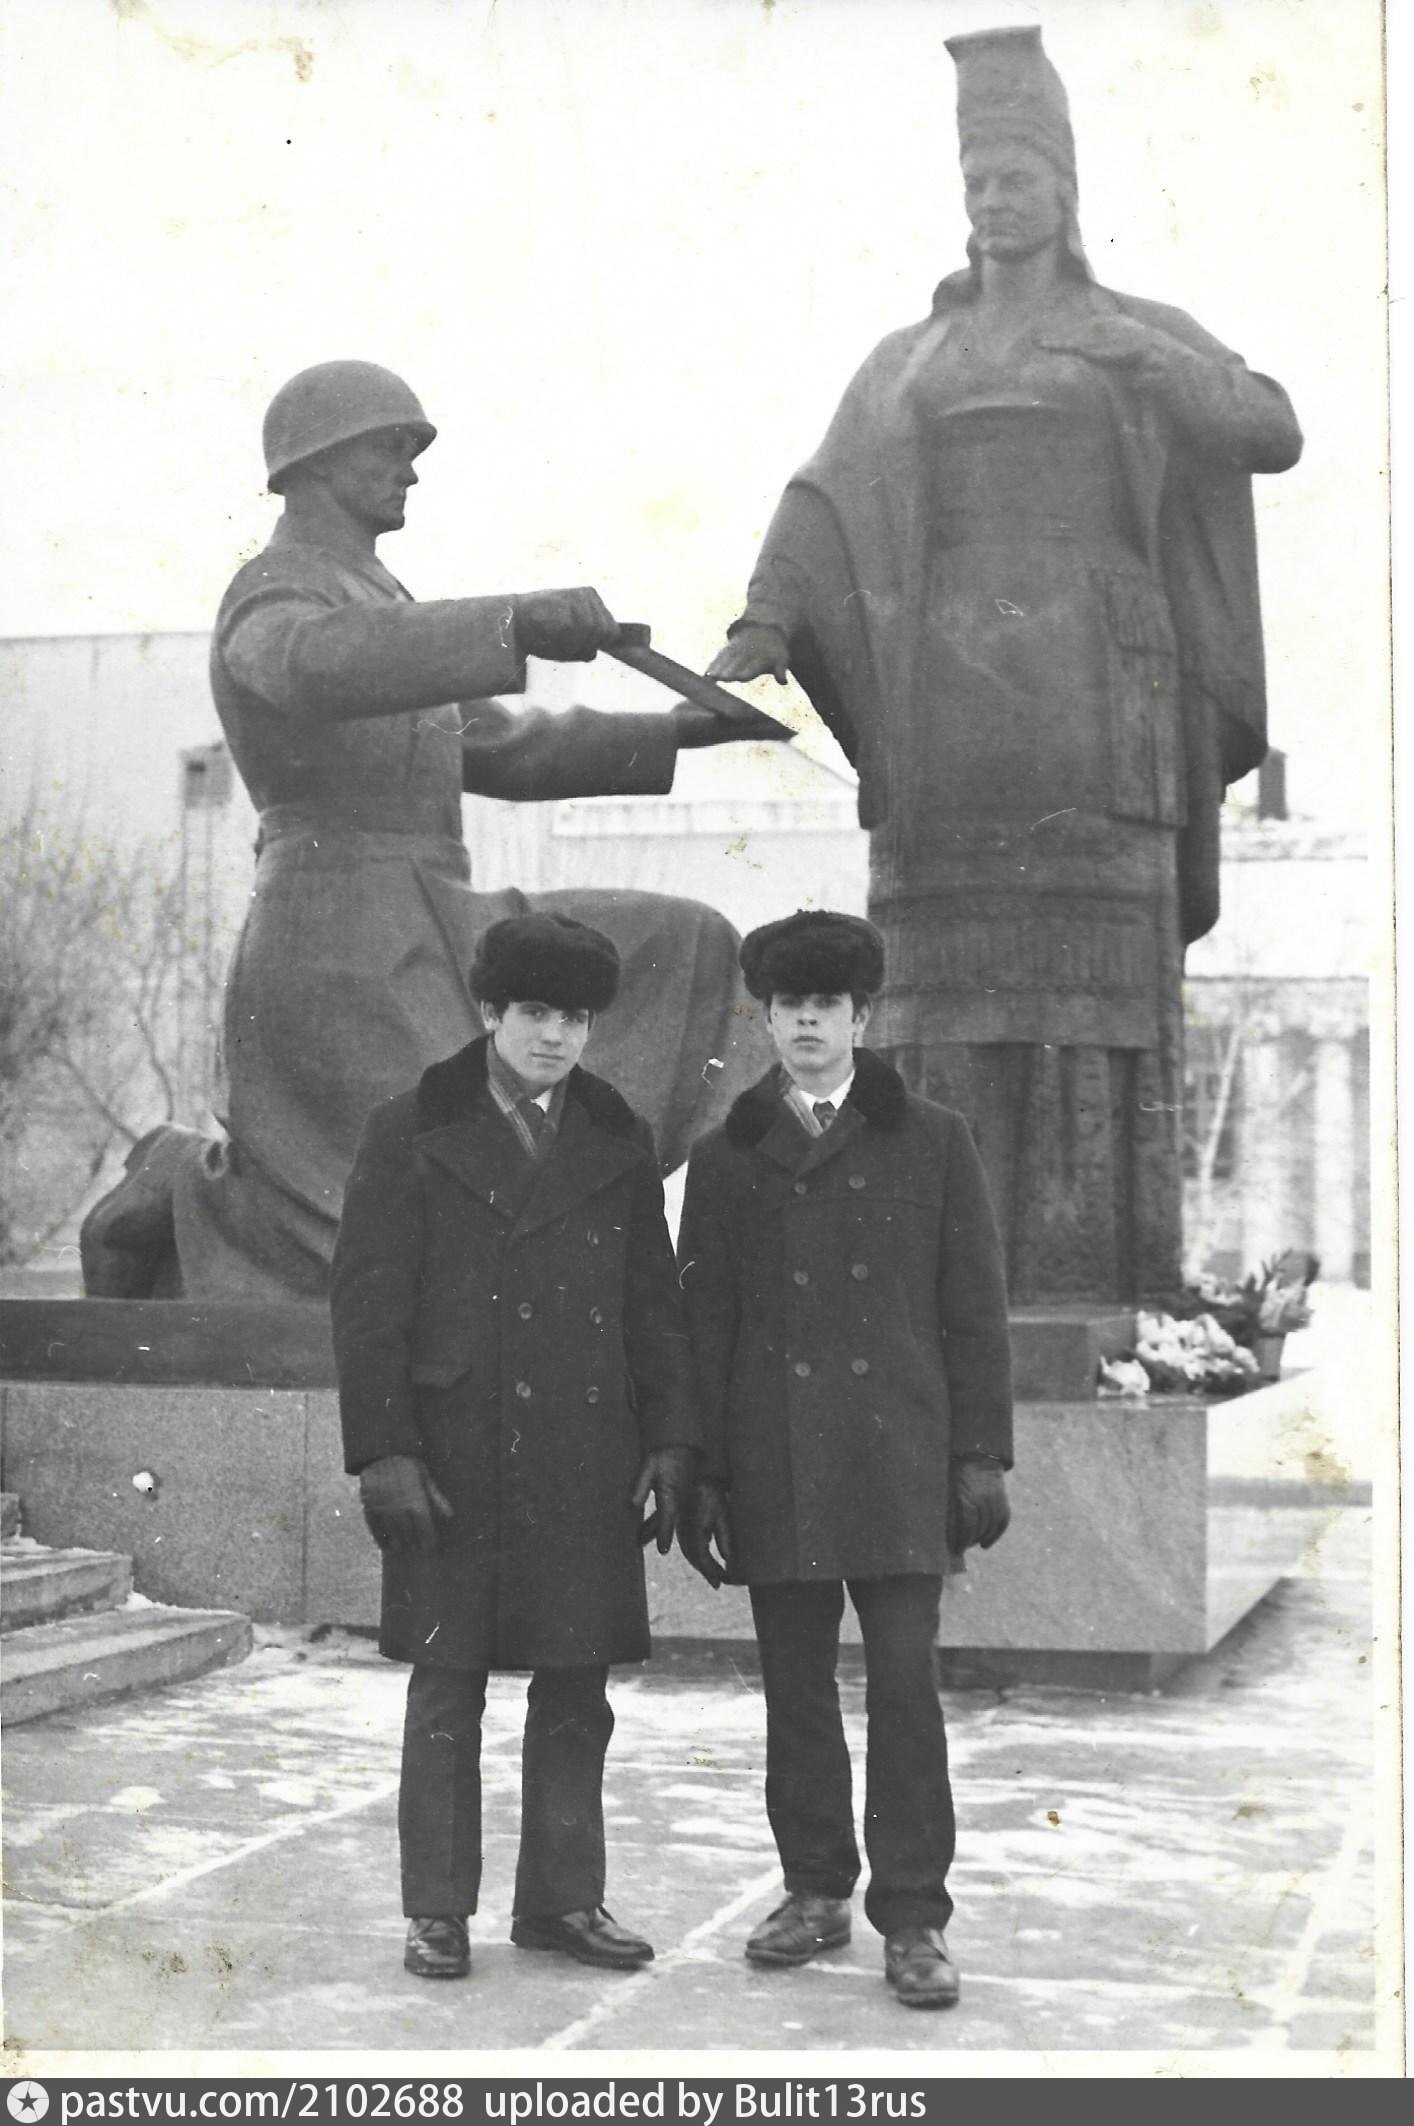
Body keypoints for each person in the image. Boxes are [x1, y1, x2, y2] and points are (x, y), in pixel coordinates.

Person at [707, 26, 1303, 1306]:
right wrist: (767, 615)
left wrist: (1153, 363)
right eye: (975, 178)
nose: (992, 197)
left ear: (1064, 187)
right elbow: (823, 494)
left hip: (1104, 692)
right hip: (947, 702)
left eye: (1016, 176)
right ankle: (936, 1277)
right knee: (942, 984)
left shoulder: (1133, 330)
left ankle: (1106, 1275)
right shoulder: (909, 359)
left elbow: (1271, 425)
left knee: (1099, 989)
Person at [82, 359, 782, 1302]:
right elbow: (309, 666)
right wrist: (512, 623)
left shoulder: (383, 597)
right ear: (314, 461)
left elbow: (500, 747)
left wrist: (676, 731)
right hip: (336, 938)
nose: (409, 470)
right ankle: (184, 1190)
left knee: (686, 946)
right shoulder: (271, 590)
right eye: (389, 448)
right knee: (395, 1222)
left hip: (440, 918)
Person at [331, 912, 699, 1980]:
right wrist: (384, 1452)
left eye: (576, 1017)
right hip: (452, 1455)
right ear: (490, 1011)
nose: (556, 1036)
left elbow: (653, 1304)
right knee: (447, 1685)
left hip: (586, 1453)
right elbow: (367, 1305)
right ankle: (437, 1908)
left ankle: (562, 1901)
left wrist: (671, 1439)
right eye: (535, 1012)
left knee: (576, 1687)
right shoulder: (409, 1126)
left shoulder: (616, 1131)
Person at [675, 911, 1013, 2010]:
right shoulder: (725, 1158)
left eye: (828, 1004)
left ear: (862, 1016)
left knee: (905, 1689)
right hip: (775, 1463)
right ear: (767, 1018)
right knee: (796, 1690)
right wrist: (705, 1471)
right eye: (790, 1005)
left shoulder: (934, 1139)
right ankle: (814, 1889)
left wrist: (980, 1456)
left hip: (900, 1459)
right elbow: (704, 1325)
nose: (808, 1022)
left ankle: (913, 1916)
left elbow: (974, 1310)